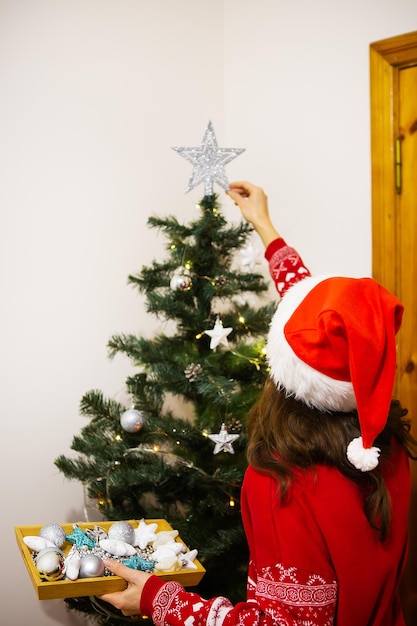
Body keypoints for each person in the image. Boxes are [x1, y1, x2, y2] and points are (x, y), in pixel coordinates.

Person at [98, 181, 416, 625]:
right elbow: (313, 311)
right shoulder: (385, 444)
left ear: (284, 364)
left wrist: (159, 600)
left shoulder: (284, 482)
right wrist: (264, 225)